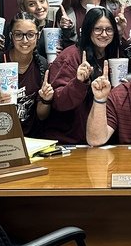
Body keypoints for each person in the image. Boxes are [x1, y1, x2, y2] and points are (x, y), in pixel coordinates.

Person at [46, 7, 122, 144]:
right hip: (70, 140)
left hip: (103, 138)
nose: (104, 34)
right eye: (98, 29)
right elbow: (58, 102)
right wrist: (79, 82)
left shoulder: (115, 55)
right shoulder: (70, 56)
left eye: (109, 29)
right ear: (88, 30)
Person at [0, 12, 54, 133]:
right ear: (11, 36)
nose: (25, 40)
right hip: (0, 134)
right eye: (18, 35)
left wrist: (46, 100)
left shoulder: (41, 64)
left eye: (30, 34)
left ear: (37, 36)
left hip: (31, 137)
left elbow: (42, 116)